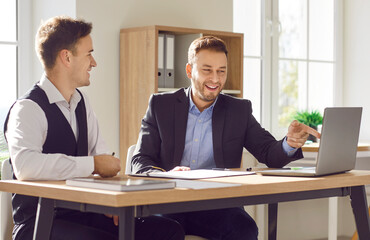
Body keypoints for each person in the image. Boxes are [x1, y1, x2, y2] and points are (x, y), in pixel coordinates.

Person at [4, 16, 184, 240]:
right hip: (39, 223)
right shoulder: (28, 108)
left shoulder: (82, 102)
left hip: (83, 212)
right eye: (89, 53)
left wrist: (108, 200)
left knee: (167, 230)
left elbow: (104, 163)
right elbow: (26, 167)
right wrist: (93, 164)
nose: (94, 62)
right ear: (66, 57)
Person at [131, 36, 320, 239]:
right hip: (167, 201)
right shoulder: (161, 105)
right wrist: (167, 175)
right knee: (161, 231)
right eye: (207, 70)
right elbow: (140, 160)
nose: (215, 79)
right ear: (189, 70)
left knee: (244, 229)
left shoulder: (238, 110)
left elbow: (268, 152)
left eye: (221, 71)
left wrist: (289, 144)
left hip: (216, 205)